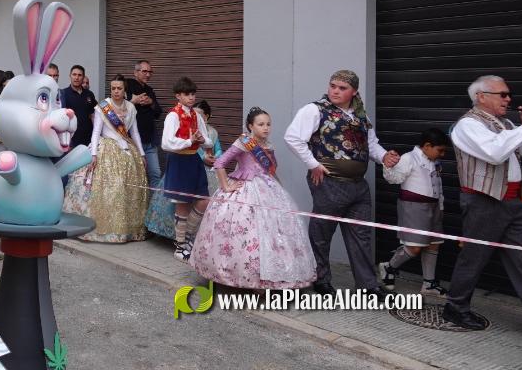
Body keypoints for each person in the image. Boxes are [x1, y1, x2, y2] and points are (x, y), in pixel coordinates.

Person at [284, 69, 399, 297]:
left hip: (358, 185)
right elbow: (293, 138)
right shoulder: (315, 110)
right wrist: (313, 164)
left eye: (342, 88)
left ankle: (368, 285)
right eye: (333, 86)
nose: (335, 91)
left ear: (354, 91)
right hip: (329, 182)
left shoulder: (361, 116)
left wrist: (384, 156)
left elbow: (371, 144)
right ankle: (321, 280)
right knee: (322, 233)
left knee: (362, 235)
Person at [441, 75, 522, 330]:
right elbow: (494, 153)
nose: (508, 99)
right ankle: (455, 308)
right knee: (474, 257)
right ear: (481, 97)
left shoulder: (505, 123)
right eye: (502, 94)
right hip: (484, 201)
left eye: (508, 94)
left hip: (512, 201)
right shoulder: (468, 125)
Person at [193, 107, 316, 289]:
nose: (266, 128)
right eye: (261, 124)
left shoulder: (269, 145)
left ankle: (272, 277)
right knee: (245, 234)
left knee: (274, 234)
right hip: (246, 188)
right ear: (251, 126)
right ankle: (247, 277)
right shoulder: (244, 142)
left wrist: (280, 190)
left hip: (268, 189)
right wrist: (226, 186)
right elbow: (220, 163)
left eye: (268, 124)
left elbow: (270, 171)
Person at [63, 75, 149, 243]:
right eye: (113, 88)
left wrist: (142, 154)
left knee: (125, 189)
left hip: (126, 150)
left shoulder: (131, 107)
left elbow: (135, 133)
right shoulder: (103, 107)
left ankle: (125, 229)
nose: (116, 91)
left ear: (125, 90)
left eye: (119, 88)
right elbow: (96, 131)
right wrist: (93, 154)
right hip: (105, 148)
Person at [377, 128, 450, 297]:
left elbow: (438, 185)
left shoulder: (435, 161)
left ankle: (429, 284)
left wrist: (441, 207)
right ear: (427, 146)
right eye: (440, 150)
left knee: (434, 243)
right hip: (413, 207)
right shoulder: (409, 158)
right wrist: (388, 166)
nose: (442, 154)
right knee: (415, 247)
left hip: (434, 206)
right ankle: (389, 267)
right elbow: (394, 179)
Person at [161, 77, 213, 263]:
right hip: (179, 160)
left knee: (203, 200)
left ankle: (188, 237)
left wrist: (202, 140)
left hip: (194, 160)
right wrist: (189, 141)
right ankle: (180, 246)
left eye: (193, 94)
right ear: (178, 96)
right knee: (182, 204)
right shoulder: (173, 116)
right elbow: (166, 143)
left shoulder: (196, 116)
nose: (191, 97)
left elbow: (208, 141)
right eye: (187, 94)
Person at [127, 60, 168, 239]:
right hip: (131, 142)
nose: (147, 74)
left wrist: (150, 102)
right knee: (134, 178)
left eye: (150, 72)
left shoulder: (150, 90)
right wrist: (134, 100)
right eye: (144, 71)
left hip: (150, 142)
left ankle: (154, 217)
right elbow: (115, 105)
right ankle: (133, 219)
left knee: (155, 175)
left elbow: (158, 112)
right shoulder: (127, 85)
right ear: (135, 72)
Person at [60, 65, 97, 149]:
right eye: (74, 74)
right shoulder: (63, 94)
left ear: (83, 77)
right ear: (70, 76)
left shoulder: (89, 94)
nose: (76, 78)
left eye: (79, 75)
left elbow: (93, 115)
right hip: (71, 140)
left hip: (88, 138)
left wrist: (96, 135)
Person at [195, 100, 223, 195]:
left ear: (206, 116)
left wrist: (215, 157)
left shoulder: (213, 131)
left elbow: (218, 149)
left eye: (198, 116)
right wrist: (203, 157)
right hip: (195, 166)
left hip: (211, 167)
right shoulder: (190, 131)